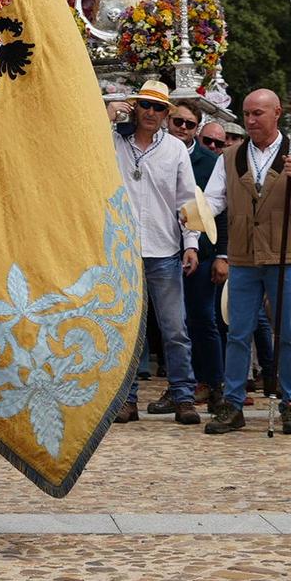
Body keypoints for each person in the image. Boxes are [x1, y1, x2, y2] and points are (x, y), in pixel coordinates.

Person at [203, 89, 291, 436]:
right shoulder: (230, 157)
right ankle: (232, 402)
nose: (250, 120)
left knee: (289, 332)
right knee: (238, 332)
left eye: (257, 113)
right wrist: (192, 214)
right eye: (246, 114)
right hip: (244, 255)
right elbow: (214, 200)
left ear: (277, 113)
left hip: (285, 255)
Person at [112, 81, 202, 426]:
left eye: (158, 107)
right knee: (129, 330)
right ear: (135, 107)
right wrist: (108, 115)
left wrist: (191, 244)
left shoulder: (176, 150)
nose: (151, 112)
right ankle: (128, 399)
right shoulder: (115, 141)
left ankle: (183, 396)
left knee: (174, 328)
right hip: (124, 248)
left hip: (163, 248)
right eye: (146, 105)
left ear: (167, 113)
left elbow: (187, 201)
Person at [181, 111, 230, 407]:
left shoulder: (212, 162)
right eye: (178, 122)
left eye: (189, 123)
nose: (182, 128)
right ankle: (183, 384)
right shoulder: (158, 154)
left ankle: (213, 382)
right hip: (165, 248)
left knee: (203, 320)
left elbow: (223, 211)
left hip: (206, 251)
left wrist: (222, 255)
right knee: (176, 324)